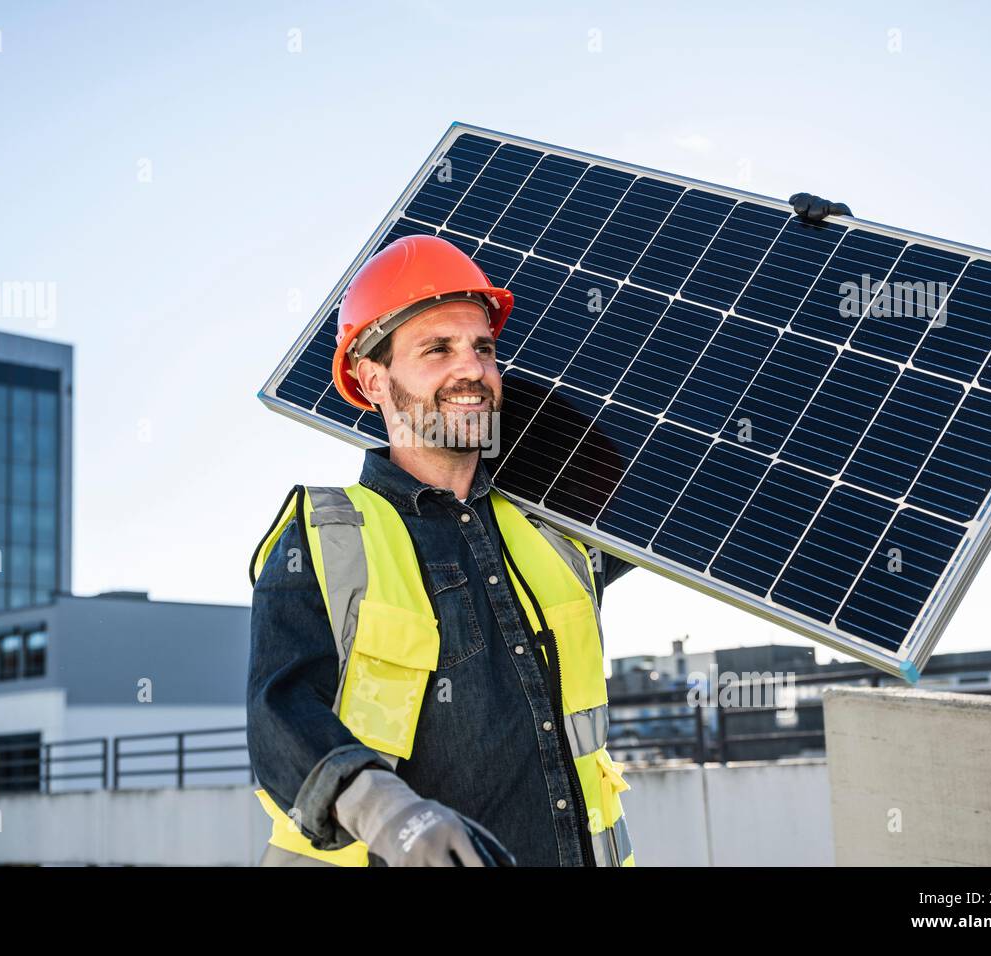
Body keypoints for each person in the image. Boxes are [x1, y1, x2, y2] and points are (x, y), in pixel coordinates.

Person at [247, 193, 850, 867]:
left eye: (482, 347)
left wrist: (807, 282)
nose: (471, 369)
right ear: (372, 378)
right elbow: (281, 712)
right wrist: (390, 814)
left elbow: (713, 461)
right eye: (436, 349)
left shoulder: (553, 531)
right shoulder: (327, 536)